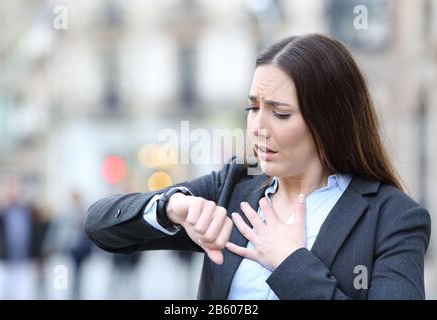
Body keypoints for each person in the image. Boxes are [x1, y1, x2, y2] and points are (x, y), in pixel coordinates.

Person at [84, 34, 431, 299]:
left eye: (280, 113)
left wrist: (292, 264)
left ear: (330, 121)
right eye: (253, 108)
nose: (258, 127)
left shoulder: (392, 218)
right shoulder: (236, 186)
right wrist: (171, 207)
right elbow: (101, 225)